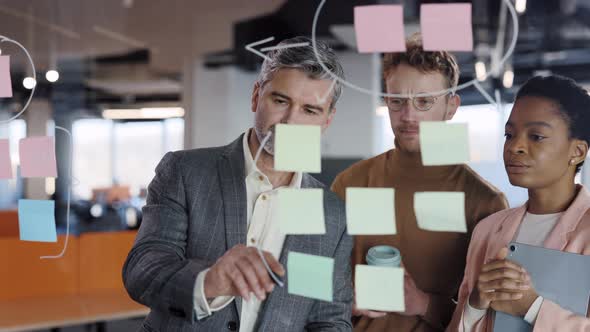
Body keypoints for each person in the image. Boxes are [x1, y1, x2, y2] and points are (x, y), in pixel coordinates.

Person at [123, 36, 354, 331]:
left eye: (310, 110)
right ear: (256, 96)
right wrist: (209, 281)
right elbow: (142, 270)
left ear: (326, 121)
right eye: (281, 100)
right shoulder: (185, 172)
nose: (290, 122)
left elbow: (328, 320)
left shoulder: (331, 214)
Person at [331, 33, 508, 331]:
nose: (408, 115)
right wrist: (343, 300)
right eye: (397, 101)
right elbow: (311, 288)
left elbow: (492, 315)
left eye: (424, 102)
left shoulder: (484, 203)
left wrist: (424, 303)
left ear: (451, 107)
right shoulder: (351, 182)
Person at [447, 75, 590, 331]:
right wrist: (475, 304)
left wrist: (532, 308)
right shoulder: (487, 230)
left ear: (577, 151)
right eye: (509, 134)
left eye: (536, 136)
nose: (515, 147)